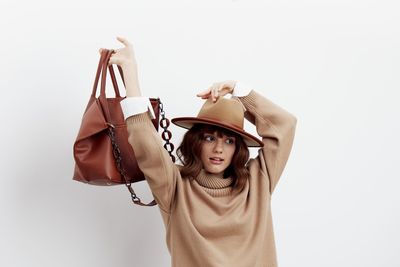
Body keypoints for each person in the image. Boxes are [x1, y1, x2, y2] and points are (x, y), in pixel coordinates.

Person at [100, 36, 297, 267]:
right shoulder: (175, 187)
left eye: (230, 141)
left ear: (238, 149)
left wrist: (238, 90)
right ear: (196, 142)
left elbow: (285, 125)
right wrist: (130, 72)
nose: (218, 149)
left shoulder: (257, 183)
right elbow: (146, 142)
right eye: (209, 138)